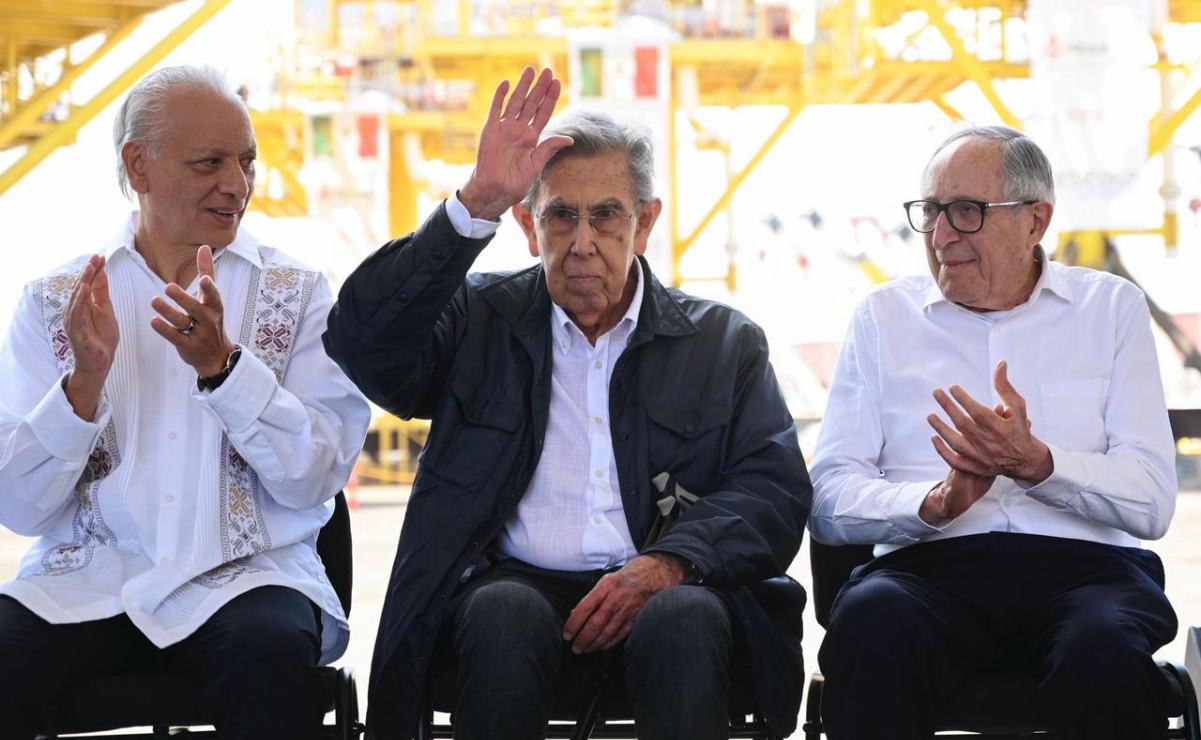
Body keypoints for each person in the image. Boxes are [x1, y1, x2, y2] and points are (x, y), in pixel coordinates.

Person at [323, 67, 811, 740]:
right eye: (560, 216)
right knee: (502, 611)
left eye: (606, 215)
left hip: (671, 581)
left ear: (644, 224)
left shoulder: (725, 343)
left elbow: (772, 491)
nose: (582, 242)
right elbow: (361, 344)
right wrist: (473, 204)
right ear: (527, 225)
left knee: (683, 616)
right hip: (511, 585)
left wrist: (671, 562)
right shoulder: (476, 321)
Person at [0, 65, 370, 740]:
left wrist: (224, 369)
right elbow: (19, 509)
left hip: (249, 584)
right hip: (87, 585)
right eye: (210, 162)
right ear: (138, 166)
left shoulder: (301, 292)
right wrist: (82, 383)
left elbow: (316, 477)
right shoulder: (55, 302)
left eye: (246, 162)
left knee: (269, 660)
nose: (237, 184)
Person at [809, 125, 1179, 740]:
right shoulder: (883, 317)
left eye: (966, 212)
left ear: (1036, 221)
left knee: (1102, 651)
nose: (941, 235)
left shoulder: (1110, 309)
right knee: (872, 625)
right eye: (930, 212)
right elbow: (827, 497)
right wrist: (934, 503)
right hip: (926, 574)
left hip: (1088, 574)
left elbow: (1152, 501)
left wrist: (1040, 465)